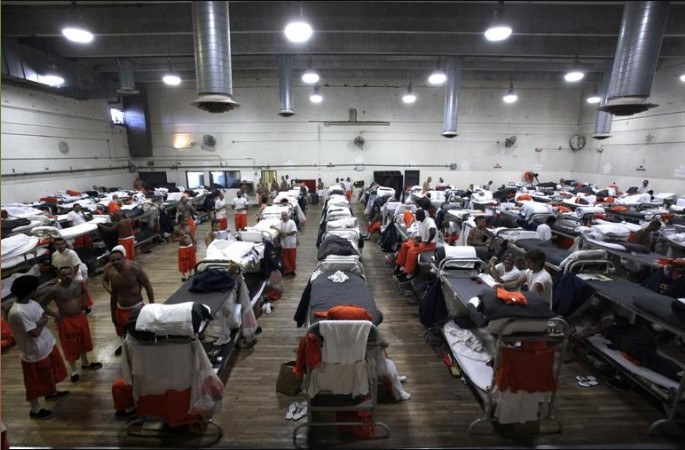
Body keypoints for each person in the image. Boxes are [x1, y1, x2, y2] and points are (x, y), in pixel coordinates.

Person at [7, 275, 70, 420]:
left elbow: (42, 315)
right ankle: (35, 410)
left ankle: (51, 393)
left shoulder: (31, 302)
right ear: (30, 291)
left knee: (49, 373)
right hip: (33, 352)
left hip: (45, 344)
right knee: (34, 382)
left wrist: (45, 319)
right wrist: (42, 322)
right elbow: (34, 333)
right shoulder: (18, 312)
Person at [39, 267, 103, 383]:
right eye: (64, 275)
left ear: (73, 274)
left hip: (80, 316)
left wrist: (84, 304)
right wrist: (54, 314)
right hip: (66, 320)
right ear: (59, 276)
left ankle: (85, 363)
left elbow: (84, 294)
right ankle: (74, 371)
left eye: (69, 274)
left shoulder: (78, 284)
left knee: (85, 340)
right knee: (70, 345)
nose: (67, 276)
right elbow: (41, 304)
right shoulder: (54, 290)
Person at [102, 245, 154, 356]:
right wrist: (113, 314)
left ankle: (143, 351)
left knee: (140, 332)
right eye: (113, 260)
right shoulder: (110, 272)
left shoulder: (135, 268)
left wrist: (152, 305)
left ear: (124, 258)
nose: (115, 262)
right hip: (121, 308)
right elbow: (113, 295)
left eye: (118, 259)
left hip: (136, 307)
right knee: (123, 332)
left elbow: (147, 285)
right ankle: (125, 346)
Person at [50, 238, 92, 314]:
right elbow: (56, 267)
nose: (60, 246)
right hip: (63, 277)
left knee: (81, 292)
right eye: (58, 244)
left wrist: (71, 277)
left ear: (65, 244)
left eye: (62, 244)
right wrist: (59, 278)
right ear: (54, 245)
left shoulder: (71, 253)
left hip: (75, 277)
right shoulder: (54, 255)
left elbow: (76, 265)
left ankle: (87, 306)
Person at [395, 209, 437, 281]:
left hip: (430, 244)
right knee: (405, 245)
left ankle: (410, 272)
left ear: (420, 216)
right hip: (423, 242)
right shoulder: (420, 223)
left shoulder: (429, 221)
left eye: (416, 216)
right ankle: (401, 265)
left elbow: (433, 231)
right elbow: (419, 236)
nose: (415, 217)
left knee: (412, 251)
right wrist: (417, 241)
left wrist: (428, 241)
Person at [271, 211, 297, 277]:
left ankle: (292, 270)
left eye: (285, 215)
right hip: (284, 243)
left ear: (288, 215)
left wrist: (286, 234)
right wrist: (275, 238)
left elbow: (293, 231)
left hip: (291, 243)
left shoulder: (291, 222)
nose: (283, 216)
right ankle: (288, 270)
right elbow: (279, 232)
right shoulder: (281, 223)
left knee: (292, 257)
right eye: (282, 215)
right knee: (285, 258)